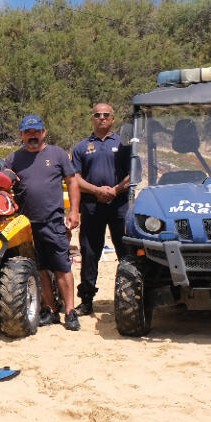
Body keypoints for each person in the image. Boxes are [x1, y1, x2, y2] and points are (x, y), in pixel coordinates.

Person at [5, 114, 82, 331]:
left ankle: (70, 311)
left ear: (43, 133)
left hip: (53, 221)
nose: (33, 136)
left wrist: (74, 211)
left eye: (36, 132)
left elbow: (72, 182)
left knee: (61, 267)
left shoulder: (57, 154)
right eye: (28, 132)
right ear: (21, 135)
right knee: (40, 269)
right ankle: (50, 310)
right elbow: (4, 183)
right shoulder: (13, 159)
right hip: (25, 226)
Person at [71, 102, 130, 316]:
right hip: (92, 206)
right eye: (97, 115)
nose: (102, 118)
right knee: (89, 253)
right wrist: (97, 191)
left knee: (126, 252)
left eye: (106, 115)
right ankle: (86, 300)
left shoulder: (124, 145)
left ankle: (128, 297)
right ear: (92, 118)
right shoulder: (81, 147)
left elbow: (133, 174)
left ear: (113, 119)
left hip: (119, 205)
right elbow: (75, 178)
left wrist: (115, 190)